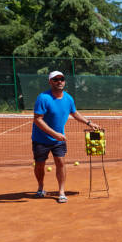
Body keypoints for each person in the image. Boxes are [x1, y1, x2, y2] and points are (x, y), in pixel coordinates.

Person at [32, 71, 100, 203]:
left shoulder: (68, 98)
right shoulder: (43, 98)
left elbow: (74, 113)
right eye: (56, 79)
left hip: (59, 139)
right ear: (50, 82)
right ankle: (40, 188)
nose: (59, 81)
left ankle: (61, 192)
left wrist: (89, 123)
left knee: (60, 162)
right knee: (40, 165)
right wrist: (54, 134)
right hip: (40, 139)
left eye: (61, 79)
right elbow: (37, 120)